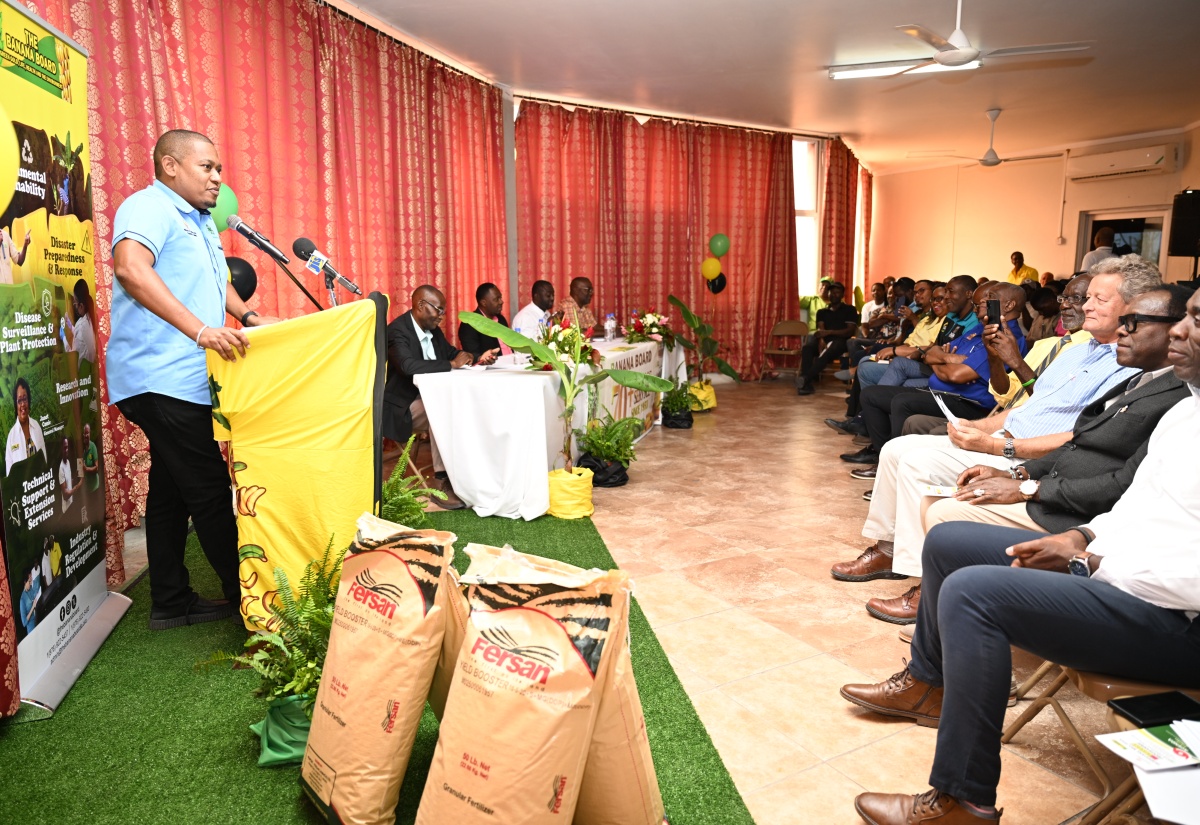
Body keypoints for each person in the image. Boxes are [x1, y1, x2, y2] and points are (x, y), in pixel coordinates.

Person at [839, 285, 1200, 825]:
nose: (1179, 331)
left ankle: (964, 802)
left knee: (972, 593)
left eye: (1196, 320)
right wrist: (1083, 538)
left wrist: (1090, 562)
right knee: (949, 542)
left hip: (1175, 617)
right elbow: (1135, 506)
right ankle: (927, 684)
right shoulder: (1186, 410)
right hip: (1121, 572)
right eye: (1185, 317)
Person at [831, 258, 1158, 617]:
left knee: (914, 462)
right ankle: (890, 549)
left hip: (1025, 456)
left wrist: (997, 445)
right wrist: (981, 429)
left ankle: (924, 580)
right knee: (895, 449)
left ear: (1132, 306)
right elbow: (1026, 408)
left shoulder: (1127, 364)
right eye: (1085, 297)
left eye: (1098, 299)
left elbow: (1080, 437)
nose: (1084, 306)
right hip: (1005, 437)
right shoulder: (1077, 350)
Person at [109, 129, 280, 630]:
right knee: (207, 488)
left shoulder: (200, 220)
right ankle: (252, 605)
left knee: (170, 489)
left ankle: (170, 598)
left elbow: (214, 280)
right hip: (156, 376)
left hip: (184, 377)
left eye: (219, 168)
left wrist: (246, 318)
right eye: (207, 167)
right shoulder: (148, 207)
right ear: (169, 166)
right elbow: (130, 270)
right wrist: (202, 331)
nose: (217, 178)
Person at [924, 285, 1189, 535]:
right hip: (1037, 465)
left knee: (939, 499)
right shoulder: (1133, 377)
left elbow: (1119, 480)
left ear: (1177, 330)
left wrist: (1026, 486)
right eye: (1074, 298)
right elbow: (1032, 406)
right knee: (924, 474)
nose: (1083, 306)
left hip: (1065, 504)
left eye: (1097, 299)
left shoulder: (1169, 391)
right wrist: (1015, 473)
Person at [845, 280, 1016, 464]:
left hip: (966, 400)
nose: (982, 305)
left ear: (1009, 305)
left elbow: (955, 374)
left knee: (901, 400)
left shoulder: (1004, 336)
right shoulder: (980, 328)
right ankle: (882, 454)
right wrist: (943, 358)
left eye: (989, 299)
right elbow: (938, 353)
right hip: (945, 389)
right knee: (871, 394)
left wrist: (939, 358)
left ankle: (892, 465)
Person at [383, 285, 497, 510]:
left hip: (430, 400)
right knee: (442, 410)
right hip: (402, 408)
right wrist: (450, 365)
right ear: (421, 306)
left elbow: (452, 353)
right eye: (438, 310)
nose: (441, 316)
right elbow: (407, 366)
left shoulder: (432, 329)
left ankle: (470, 475)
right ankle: (441, 480)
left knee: (463, 406)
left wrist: (476, 358)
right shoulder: (397, 331)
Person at [795, 282, 859, 395]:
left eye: (837, 292)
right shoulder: (822, 312)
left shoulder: (850, 309)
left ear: (842, 295)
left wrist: (829, 332)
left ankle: (805, 379)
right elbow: (821, 329)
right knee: (807, 348)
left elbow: (849, 331)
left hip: (841, 340)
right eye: (831, 292)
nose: (833, 294)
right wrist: (821, 340)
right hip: (825, 339)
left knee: (829, 350)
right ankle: (806, 384)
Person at [6, 377, 46, 475]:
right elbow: (10, 474)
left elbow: (44, 459)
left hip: (40, 485)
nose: (23, 404)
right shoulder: (11, 436)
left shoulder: (36, 427)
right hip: (22, 489)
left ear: (29, 401)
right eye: (19, 400)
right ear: (16, 404)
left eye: (25, 399)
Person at [457, 282, 506, 360]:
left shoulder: (501, 319)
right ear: (484, 303)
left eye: (500, 298)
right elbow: (473, 355)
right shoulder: (469, 324)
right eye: (496, 299)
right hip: (492, 369)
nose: (501, 302)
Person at [63, 279, 97, 363]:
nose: (74, 306)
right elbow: (82, 336)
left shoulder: (81, 325)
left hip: (82, 372)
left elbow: (72, 354)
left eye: (75, 303)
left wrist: (63, 338)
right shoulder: (91, 318)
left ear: (81, 305)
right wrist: (71, 326)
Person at [58, 437, 82, 516]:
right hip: (67, 510)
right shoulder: (61, 468)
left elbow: (69, 482)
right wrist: (77, 487)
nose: (67, 450)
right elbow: (65, 495)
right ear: (61, 449)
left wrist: (76, 475)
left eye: (67, 447)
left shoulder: (68, 462)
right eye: (65, 448)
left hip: (72, 504)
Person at [19, 566, 39, 636]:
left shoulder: (31, 590)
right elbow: (24, 623)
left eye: (31, 580)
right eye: (29, 581)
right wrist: (32, 607)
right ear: (25, 582)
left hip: (38, 622)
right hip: (32, 630)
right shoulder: (22, 600)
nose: (31, 583)